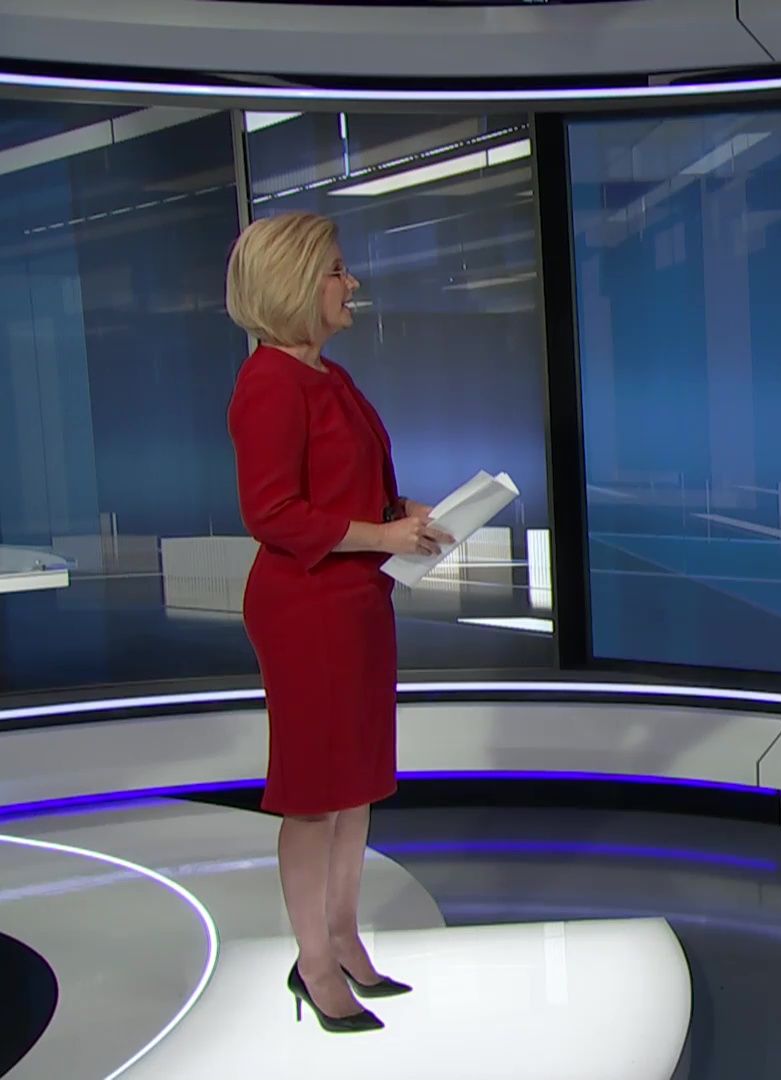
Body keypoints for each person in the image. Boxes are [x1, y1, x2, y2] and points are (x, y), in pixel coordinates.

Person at [225, 212, 452, 1033]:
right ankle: (313, 964)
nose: (350, 283)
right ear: (294, 283)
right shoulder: (268, 385)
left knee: (354, 785)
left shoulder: (331, 377)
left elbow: (350, 489)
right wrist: (382, 536)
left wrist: (404, 513)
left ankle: (344, 937)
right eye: (336, 270)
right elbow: (273, 513)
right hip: (307, 609)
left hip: (356, 600)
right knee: (316, 796)